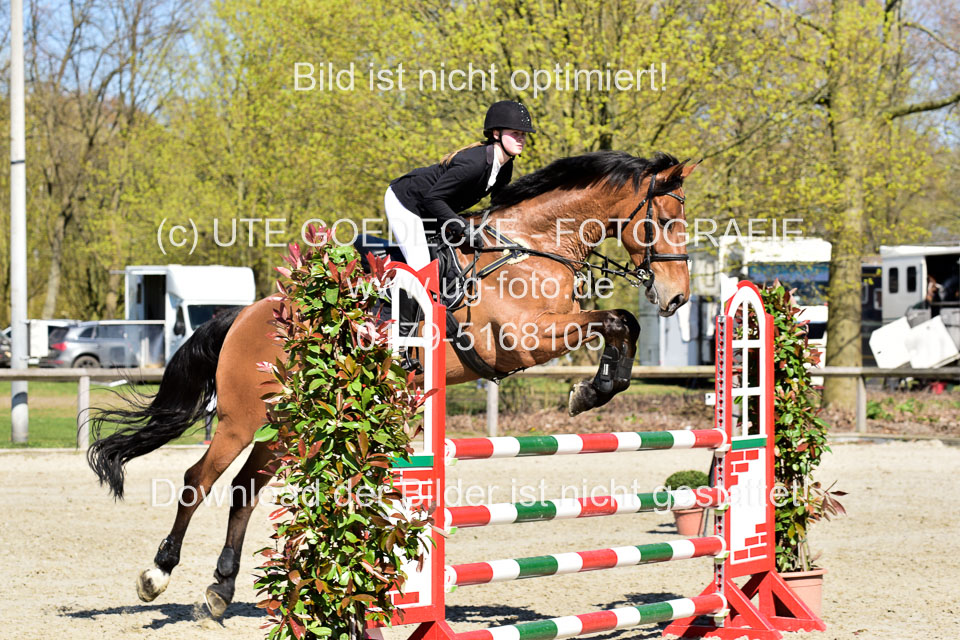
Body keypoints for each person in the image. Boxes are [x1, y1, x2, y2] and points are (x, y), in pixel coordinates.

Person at [385, 100, 535, 269]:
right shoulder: (474, 165)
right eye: (515, 133)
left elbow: (498, 203)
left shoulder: (505, 166)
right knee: (421, 266)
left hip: (431, 209)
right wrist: (463, 227)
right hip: (406, 201)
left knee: (443, 260)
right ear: (496, 134)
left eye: (523, 134)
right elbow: (432, 199)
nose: (521, 139)